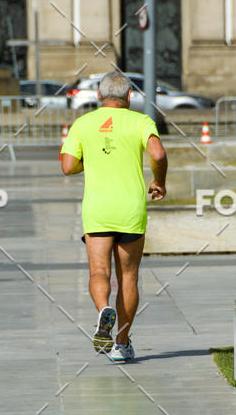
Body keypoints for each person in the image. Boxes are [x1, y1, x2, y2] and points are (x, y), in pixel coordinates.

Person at [60, 71, 167, 362]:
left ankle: (103, 309)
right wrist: (159, 182)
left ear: (98, 96)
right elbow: (158, 155)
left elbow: (67, 166)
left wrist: (90, 161)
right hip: (130, 209)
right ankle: (121, 343)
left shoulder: (83, 124)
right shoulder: (141, 121)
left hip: (98, 209)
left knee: (99, 273)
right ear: (129, 97)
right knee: (128, 277)